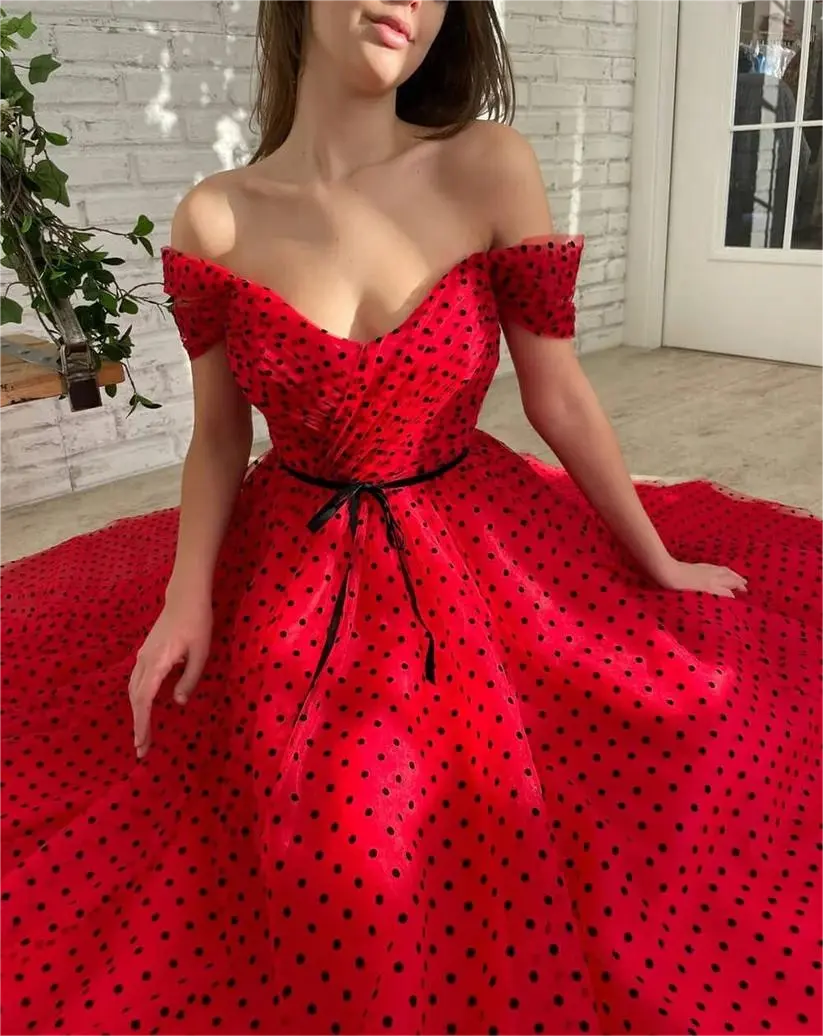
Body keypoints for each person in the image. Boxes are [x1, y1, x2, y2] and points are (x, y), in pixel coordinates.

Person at [1, 1, 820, 1033]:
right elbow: (217, 439)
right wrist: (183, 596)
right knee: (322, 835)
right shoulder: (217, 216)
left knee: (665, 730)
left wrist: (654, 558)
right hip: (292, 570)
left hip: (479, 549)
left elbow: (557, 395)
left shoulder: (486, 165)